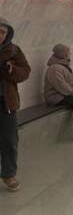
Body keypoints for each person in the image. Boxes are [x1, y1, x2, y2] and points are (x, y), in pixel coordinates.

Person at [0, 17, 31, 192]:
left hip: (6, 103)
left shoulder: (13, 50)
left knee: (9, 140)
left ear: (7, 34)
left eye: (2, 32)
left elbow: (26, 72)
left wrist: (12, 71)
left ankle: (9, 174)